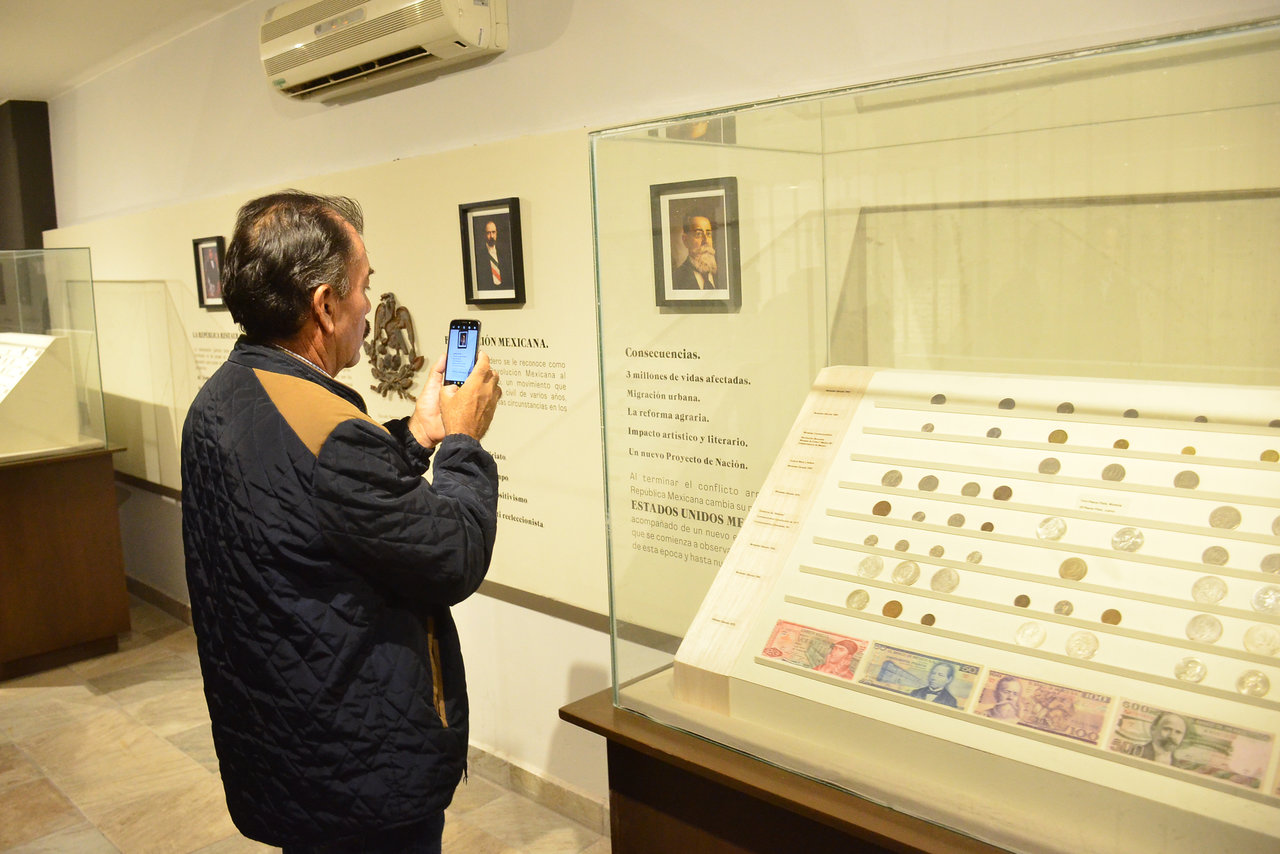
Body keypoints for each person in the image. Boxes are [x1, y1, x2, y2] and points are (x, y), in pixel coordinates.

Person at [181, 190, 502, 853]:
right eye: (363, 286)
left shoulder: (226, 396)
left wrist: (415, 435)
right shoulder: (325, 432)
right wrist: (463, 442)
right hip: (359, 769)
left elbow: (319, 501)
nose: (368, 304)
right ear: (325, 306)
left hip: (290, 750)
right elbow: (455, 554)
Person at [671, 212, 723, 290]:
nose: (706, 241)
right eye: (698, 234)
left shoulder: (723, 276)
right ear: (685, 240)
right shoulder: (675, 279)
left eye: (708, 234)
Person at [473, 219, 511, 290]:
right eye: (488, 233)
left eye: (493, 232)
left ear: (496, 233)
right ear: (484, 235)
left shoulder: (504, 253)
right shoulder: (479, 256)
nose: (491, 236)